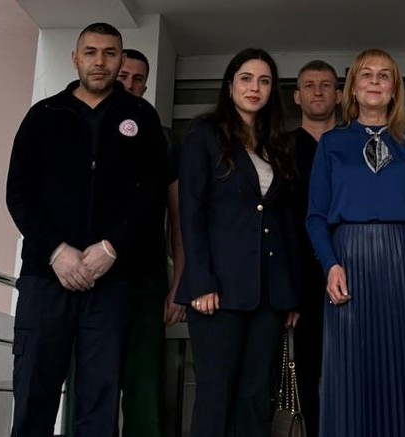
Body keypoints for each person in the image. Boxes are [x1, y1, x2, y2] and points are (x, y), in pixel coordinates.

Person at [6, 22, 166, 436]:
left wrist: (111, 248)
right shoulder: (44, 115)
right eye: (90, 52)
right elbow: (18, 194)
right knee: (34, 393)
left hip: (111, 282)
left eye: (110, 53)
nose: (100, 61)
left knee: (99, 400)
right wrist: (57, 251)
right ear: (74, 58)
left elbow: (152, 196)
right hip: (46, 278)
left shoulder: (141, 117)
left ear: (120, 59)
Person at [306, 48, 405, 437]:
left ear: (394, 90)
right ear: (352, 88)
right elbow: (315, 216)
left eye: (384, 75)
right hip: (348, 261)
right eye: (366, 74)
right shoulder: (331, 143)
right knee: (350, 370)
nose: (374, 81)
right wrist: (331, 264)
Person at [176, 47, 300, 437]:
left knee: (255, 395)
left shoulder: (277, 144)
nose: (254, 88)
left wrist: (288, 294)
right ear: (230, 86)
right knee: (216, 394)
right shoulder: (204, 134)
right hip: (217, 290)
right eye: (246, 79)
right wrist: (200, 280)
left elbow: (285, 223)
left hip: (268, 294)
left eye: (264, 81)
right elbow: (191, 211)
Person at [116, 47, 186, 437]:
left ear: (145, 85)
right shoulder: (85, 127)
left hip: (147, 279)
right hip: (92, 280)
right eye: (123, 75)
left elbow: (177, 218)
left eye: (137, 78)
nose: (129, 84)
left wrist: (179, 283)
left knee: (144, 387)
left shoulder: (163, 139)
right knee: (89, 385)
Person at [288, 59, 342, 437]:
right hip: (302, 278)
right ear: (297, 96)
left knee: (351, 369)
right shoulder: (281, 148)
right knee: (307, 372)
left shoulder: (354, 144)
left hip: (352, 270)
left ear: (339, 95)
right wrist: (286, 291)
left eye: (325, 85)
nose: (318, 91)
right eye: (309, 85)